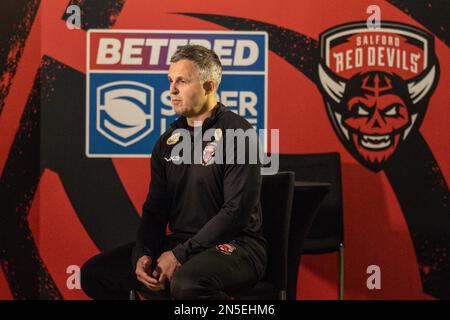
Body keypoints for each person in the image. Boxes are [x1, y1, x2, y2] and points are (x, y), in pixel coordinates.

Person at [80, 44, 267, 300]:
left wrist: (179, 255)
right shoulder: (167, 141)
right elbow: (155, 210)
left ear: (209, 86)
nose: (172, 90)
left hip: (237, 246)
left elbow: (235, 213)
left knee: (187, 283)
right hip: (182, 242)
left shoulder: (239, 134)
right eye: (170, 80)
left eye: (182, 81)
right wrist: (143, 255)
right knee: (95, 273)